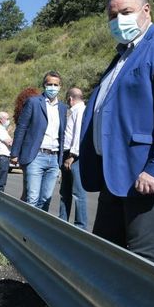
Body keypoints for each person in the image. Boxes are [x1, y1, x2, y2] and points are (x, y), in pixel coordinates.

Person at [78, 0, 154, 268]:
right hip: (112, 175)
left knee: (146, 265)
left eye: (126, 12)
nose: (119, 20)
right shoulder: (120, 58)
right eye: (113, 15)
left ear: (146, 11)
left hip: (143, 177)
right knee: (106, 258)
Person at [11, 71, 67, 211]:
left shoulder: (63, 108)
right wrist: (14, 153)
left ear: (60, 87)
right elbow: (21, 127)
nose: (52, 87)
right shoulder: (34, 102)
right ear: (44, 85)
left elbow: (64, 133)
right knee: (32, 198)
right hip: (36, 156)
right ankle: (26, 232)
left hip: (54, 159)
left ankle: (39, 231)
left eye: (56, 84)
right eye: (49, 84)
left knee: (45, 199)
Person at [59, 87, 88, 229]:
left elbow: (78, 134)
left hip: (74, 157)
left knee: (77, 193)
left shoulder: (80, 111)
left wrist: (72, 155)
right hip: (68, 155)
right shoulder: (75, 111)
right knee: (65, 192)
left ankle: (80, 226)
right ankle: (62, 221)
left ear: (70, 99)